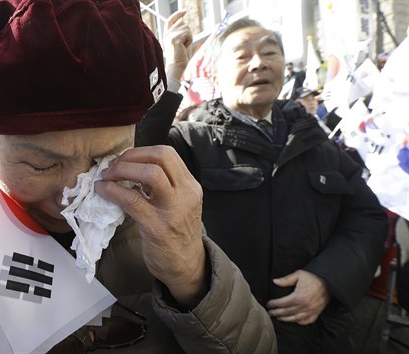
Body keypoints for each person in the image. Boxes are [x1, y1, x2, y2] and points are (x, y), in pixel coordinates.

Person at [0, 0, 276, 352]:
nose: (74, 193)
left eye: (106, 158)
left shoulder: (158, 217)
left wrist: (194, 280)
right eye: (41, 165)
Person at [156, 18, 388, 353]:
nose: (259, 63)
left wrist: (329, 278)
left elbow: (367, 218)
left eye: (269, 52)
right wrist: (170, 76)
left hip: (319, 337)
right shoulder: (187, 145)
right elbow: (131, 154)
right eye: (242, 55)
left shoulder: (318, 144)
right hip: (226, 337)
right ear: (216, 75)